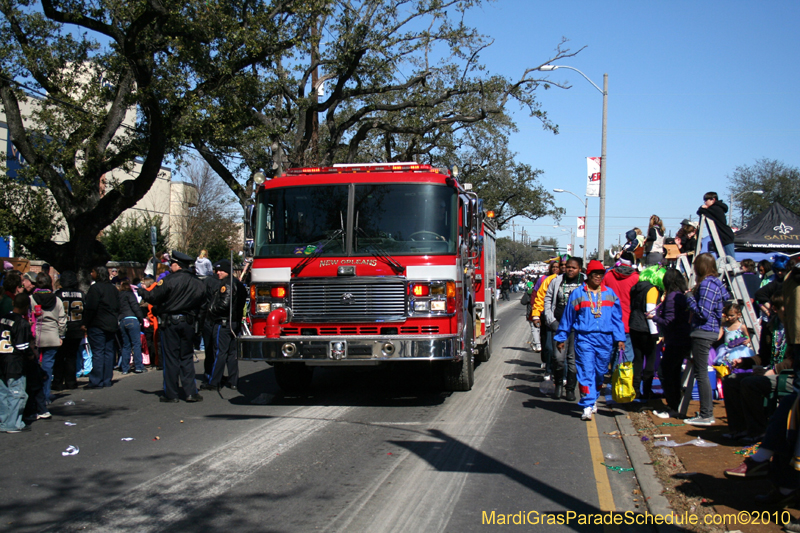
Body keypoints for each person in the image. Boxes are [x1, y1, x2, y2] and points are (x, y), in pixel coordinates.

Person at [555, 260, 626, 421]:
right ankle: (587, 404)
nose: (598, 277)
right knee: (586, 371)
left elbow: (617, 319)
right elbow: (567, 318)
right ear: (589, 275)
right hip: (584, 339)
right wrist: (561, 337)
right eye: (595, 274)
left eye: (601, 275)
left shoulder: (610, 294)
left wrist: (620, 337)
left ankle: (593, 397)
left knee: (600, 373)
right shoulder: (578, 294)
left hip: (605, 339)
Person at [722, 295, 790, 447]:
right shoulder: (771, 327)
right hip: (770, 371)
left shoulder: (794, 326)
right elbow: (764, 357)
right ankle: (740, 429)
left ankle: (759, 430)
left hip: (788, 374)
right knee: (730, 380)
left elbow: (794, 359)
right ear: (775, 309)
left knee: (750, 383)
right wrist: (744, 362)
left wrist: (774, 370)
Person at [138, 251, 206, 403]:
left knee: (171, 358)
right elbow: (203, 306)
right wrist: (198, 326)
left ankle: (172, 393)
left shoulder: (169, 280)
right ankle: (190, 392)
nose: (169, 267)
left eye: (171, 264)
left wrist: (142, 291)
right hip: (188, 323)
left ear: (177, 265)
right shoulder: (198, 282)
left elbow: (153, 296)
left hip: (170, 323)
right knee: (187, 357)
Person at [684, 253, 730, 426]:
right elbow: (724, 300)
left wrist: (689, 298)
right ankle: (706, 412)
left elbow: (703, 312)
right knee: (702, 371)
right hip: (711, 329)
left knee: (701, 373)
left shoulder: (705, 284)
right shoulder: (717, 283)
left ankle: (706, 414)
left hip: (703, 330)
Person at [200, 259, 247, 392]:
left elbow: (224, 304)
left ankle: (214, 382)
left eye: (221, 270)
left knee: (220, 352)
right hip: (234, 322)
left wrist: (211, 310)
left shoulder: (226, 284)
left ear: (227, 271)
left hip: (224, 322)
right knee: (232, 353)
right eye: (217, 270)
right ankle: (233, 380)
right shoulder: (238, 283)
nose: (218, 273)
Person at [543, 257, 585, 401]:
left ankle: (570, 389)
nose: (570, 270)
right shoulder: (557, 281)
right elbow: (547, 300)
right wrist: (551, 320)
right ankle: (559, 384)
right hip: (559, 325)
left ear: (579, 269)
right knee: (558, 358)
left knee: (573, 360)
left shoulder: (584, 282)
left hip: (578, 328)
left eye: (573, 268)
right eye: (568, 267)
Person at [651, 268, 691, 417]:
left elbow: (668, 321)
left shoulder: (671, 297)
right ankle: (676, 403)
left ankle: (673, 405)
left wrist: (654, 318)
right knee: (674, 372)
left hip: (675, 339)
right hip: (684, 338)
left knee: (665, 372)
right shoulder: (682, 295)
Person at [628, 265, 665, 400]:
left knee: (637, 359)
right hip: (646, 329)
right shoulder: (652, 289)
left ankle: (636, 390)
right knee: (650, 360)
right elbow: (650, 311)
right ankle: (647, 391)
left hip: (634, 326)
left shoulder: (636, 288)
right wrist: (655, 332)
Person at [0, 294, 35, 433]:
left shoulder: (2, 318)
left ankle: (4, 420)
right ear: (27, 307)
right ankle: (13, 423)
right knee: (17, 393)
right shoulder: (21, 323)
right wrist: (31, 355)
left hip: (1, 360)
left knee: (3, 393)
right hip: (14, 362)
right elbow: (22, 346)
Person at [30, 272, 66, 405]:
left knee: (34, 367)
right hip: (52, 335)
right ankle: (45, 395)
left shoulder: (31, 299)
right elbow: (62, 320)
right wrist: (61, 335)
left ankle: (35, 396)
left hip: (36, 335)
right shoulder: (57, 300)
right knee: (48, 367)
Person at [83, 265, 121, 389]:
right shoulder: (113, 289)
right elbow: (117, 306)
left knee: (98, 352)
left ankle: (96, 380)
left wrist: (85, 323)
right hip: (110, 323)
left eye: (92, 271)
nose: (91, 272)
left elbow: (91, 307)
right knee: (109, 352)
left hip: (98, 323)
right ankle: (106, 379)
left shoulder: (95, 288)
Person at [532, 258, 566, 377]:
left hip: (571, 324)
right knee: (549, 348)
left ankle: (566, 377)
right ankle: (549, 369)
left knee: (568, 353)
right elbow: (540, 298)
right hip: (551, 321)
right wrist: (536, 315)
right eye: (559, 266)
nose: (562, 268)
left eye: (567, 266)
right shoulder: (550, 280)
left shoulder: (580, 281)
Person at [603, 251, 639, 360]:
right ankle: (617, 376)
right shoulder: (636, 278)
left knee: (609, 354)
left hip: (608, 320)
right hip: (627, 321)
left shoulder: (608, 275)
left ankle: (607, 375)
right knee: (624, 356)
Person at [52, 271, 84, 391]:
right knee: (72, 356)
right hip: (76, 327)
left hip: (62, 328)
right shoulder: (81, 294)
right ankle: (71, 381)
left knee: (60, 356)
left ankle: (58, 382)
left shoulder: (58, 294)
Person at [697, 191, 735, 259]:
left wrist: (702, 207)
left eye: (706, 200)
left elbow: (700, 211)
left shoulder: (716, 209)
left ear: (713, 199)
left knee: (730, 259)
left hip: (725, 236)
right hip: (719, 237)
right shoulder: (714, 209)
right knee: (721, 259)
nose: (705, 202)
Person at [118, 280, 145, 374]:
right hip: (132, 319)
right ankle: (138, 366)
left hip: (122, 320)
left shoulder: (118, 296)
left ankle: (125, 368)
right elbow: (135, 306)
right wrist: (141, 318)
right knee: (136, 344)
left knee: (126, 345)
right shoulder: (130, 295)